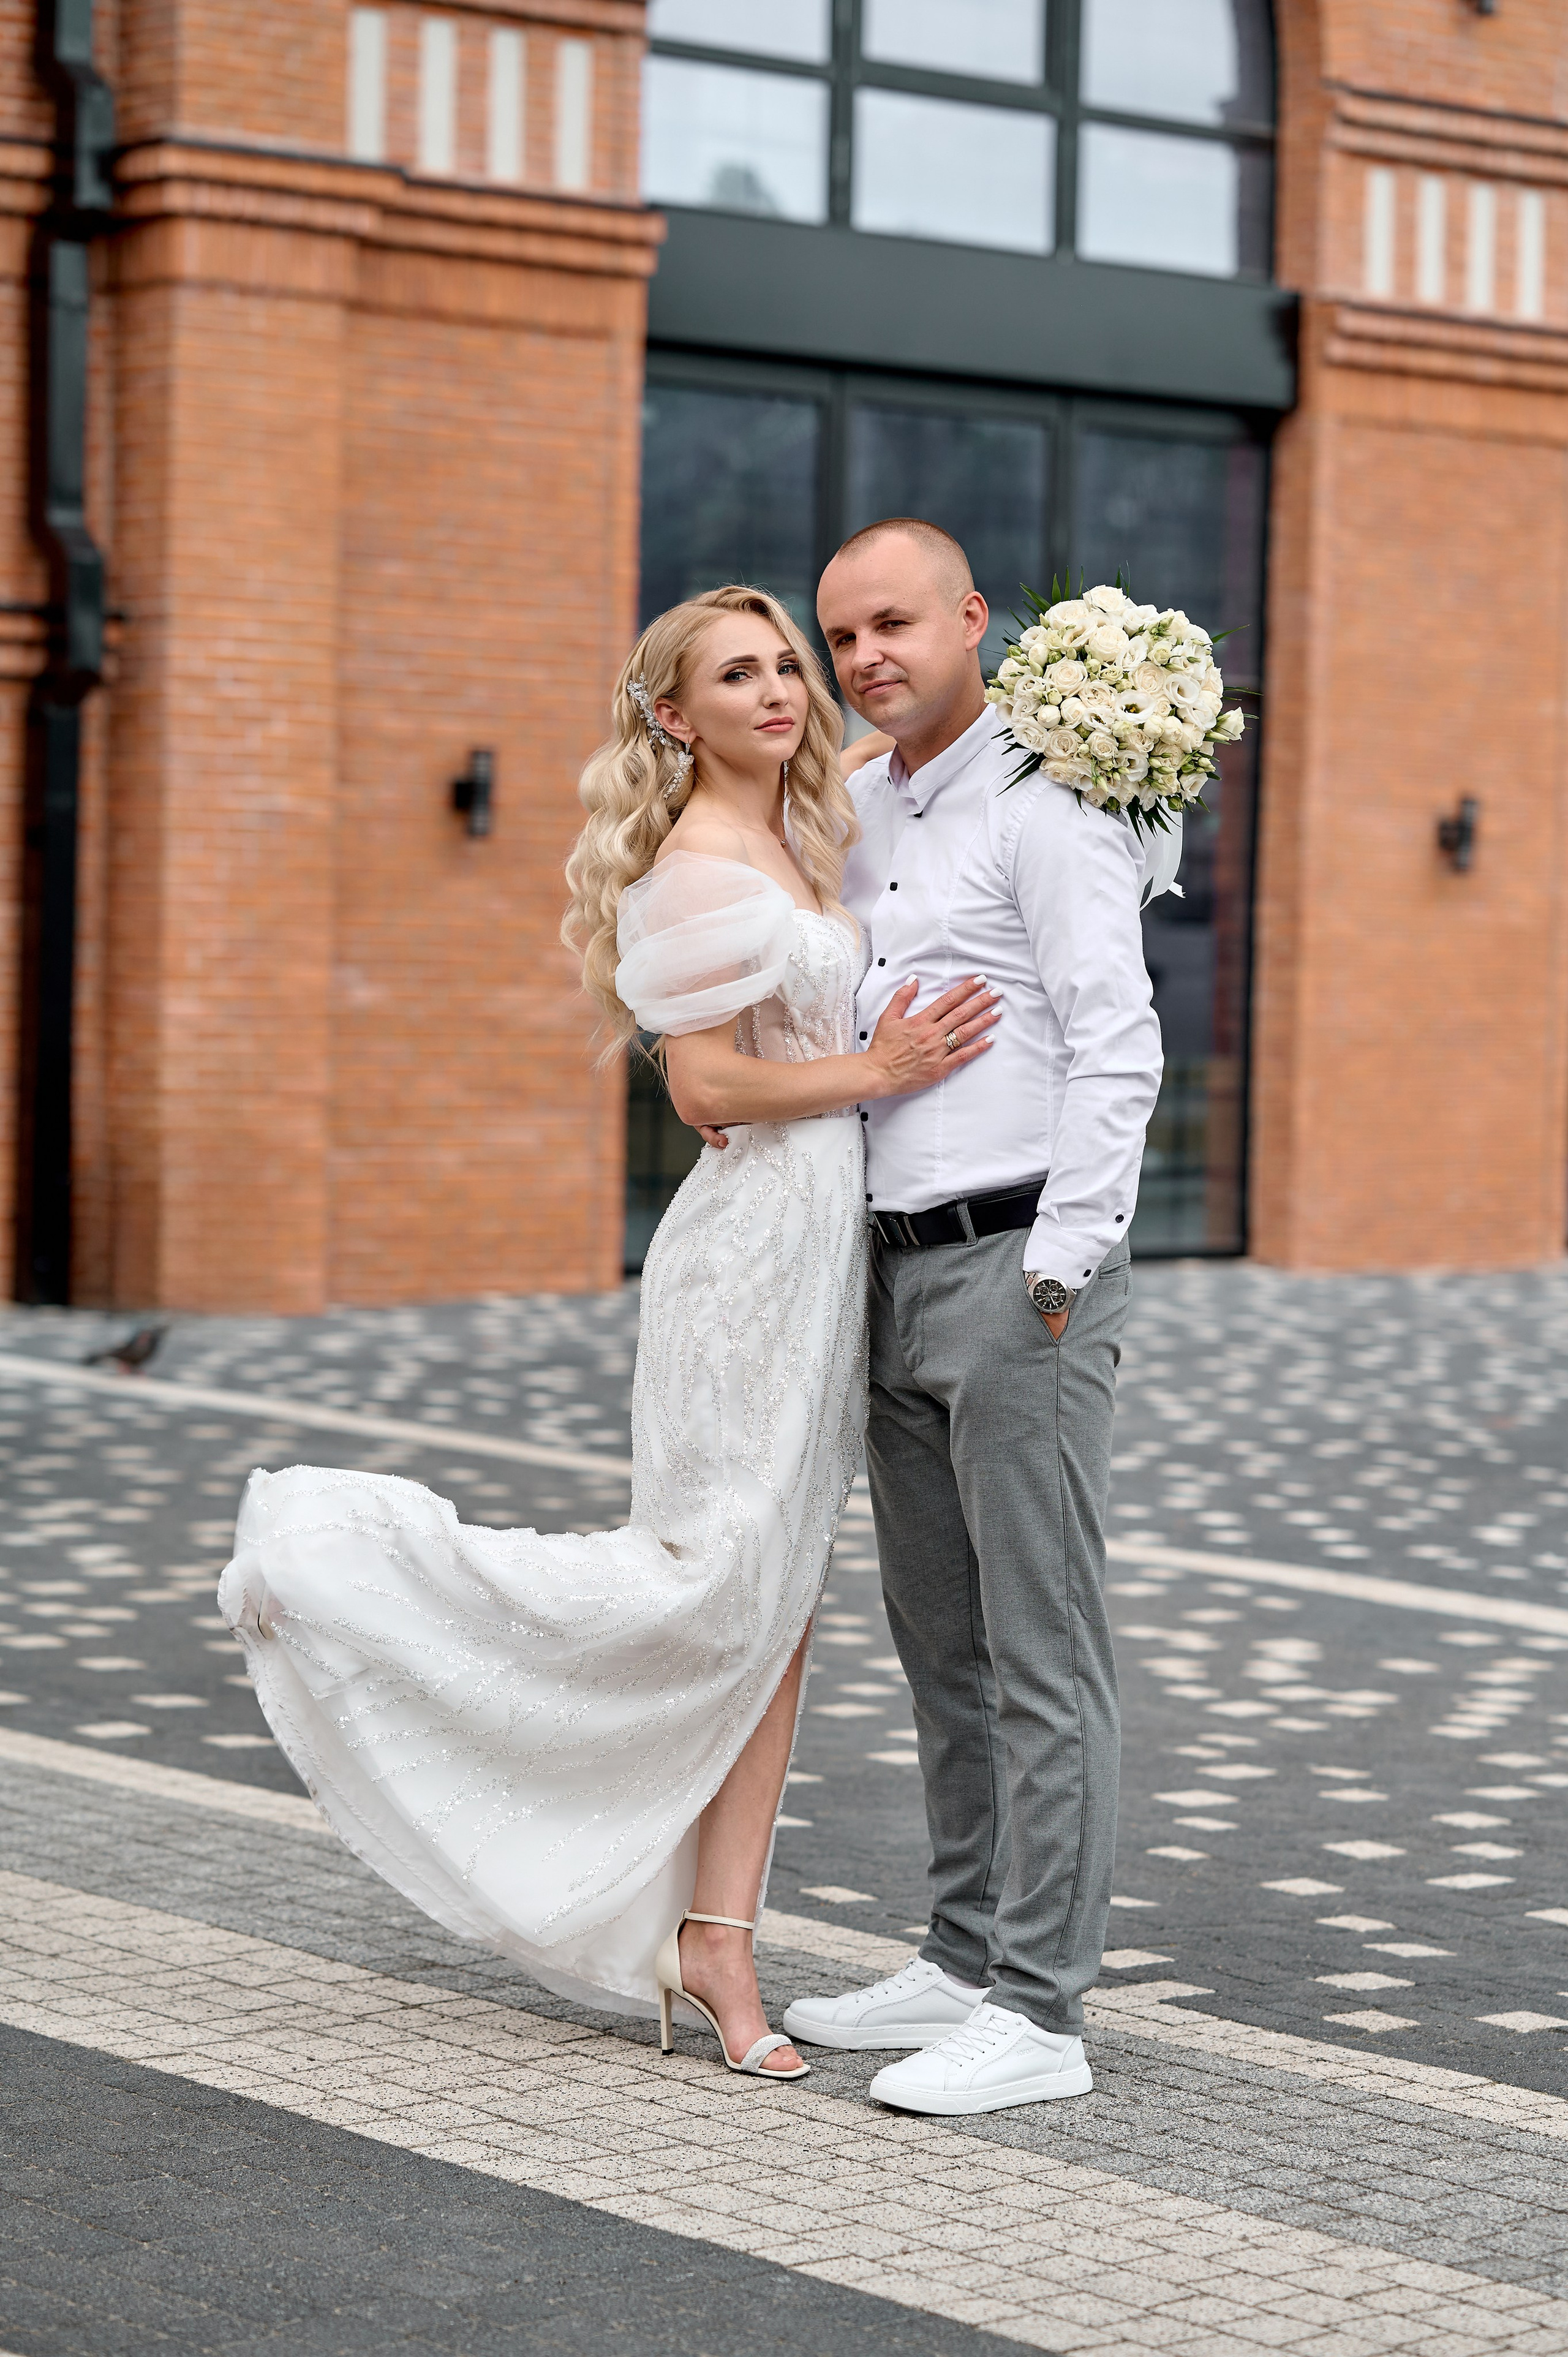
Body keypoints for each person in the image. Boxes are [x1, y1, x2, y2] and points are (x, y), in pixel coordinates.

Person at [217, 583, 997, 2083]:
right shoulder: (700, 865)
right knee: (708, 1581)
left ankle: (719, 1936)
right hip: (751, 1260)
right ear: (671, 713)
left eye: (786, 664)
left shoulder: (794, 837)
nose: (778, 691)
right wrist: (878, 1067)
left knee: (772, 1610)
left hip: (814, 1249)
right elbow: (703, 1090)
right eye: (736, 674)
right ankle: (338, 1560)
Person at [774, 519, 1165, 2115]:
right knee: (939, 1645)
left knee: (1041, 1652)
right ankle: (954, 1952)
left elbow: (1117, 1038)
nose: (869, 657)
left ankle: (1042, 2012)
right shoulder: (854, 809)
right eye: (844, 635)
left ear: (971, 621)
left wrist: (1062, 1269)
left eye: (895, 626)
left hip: (1020, 1276)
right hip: (886, 1274)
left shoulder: (1049, 801)